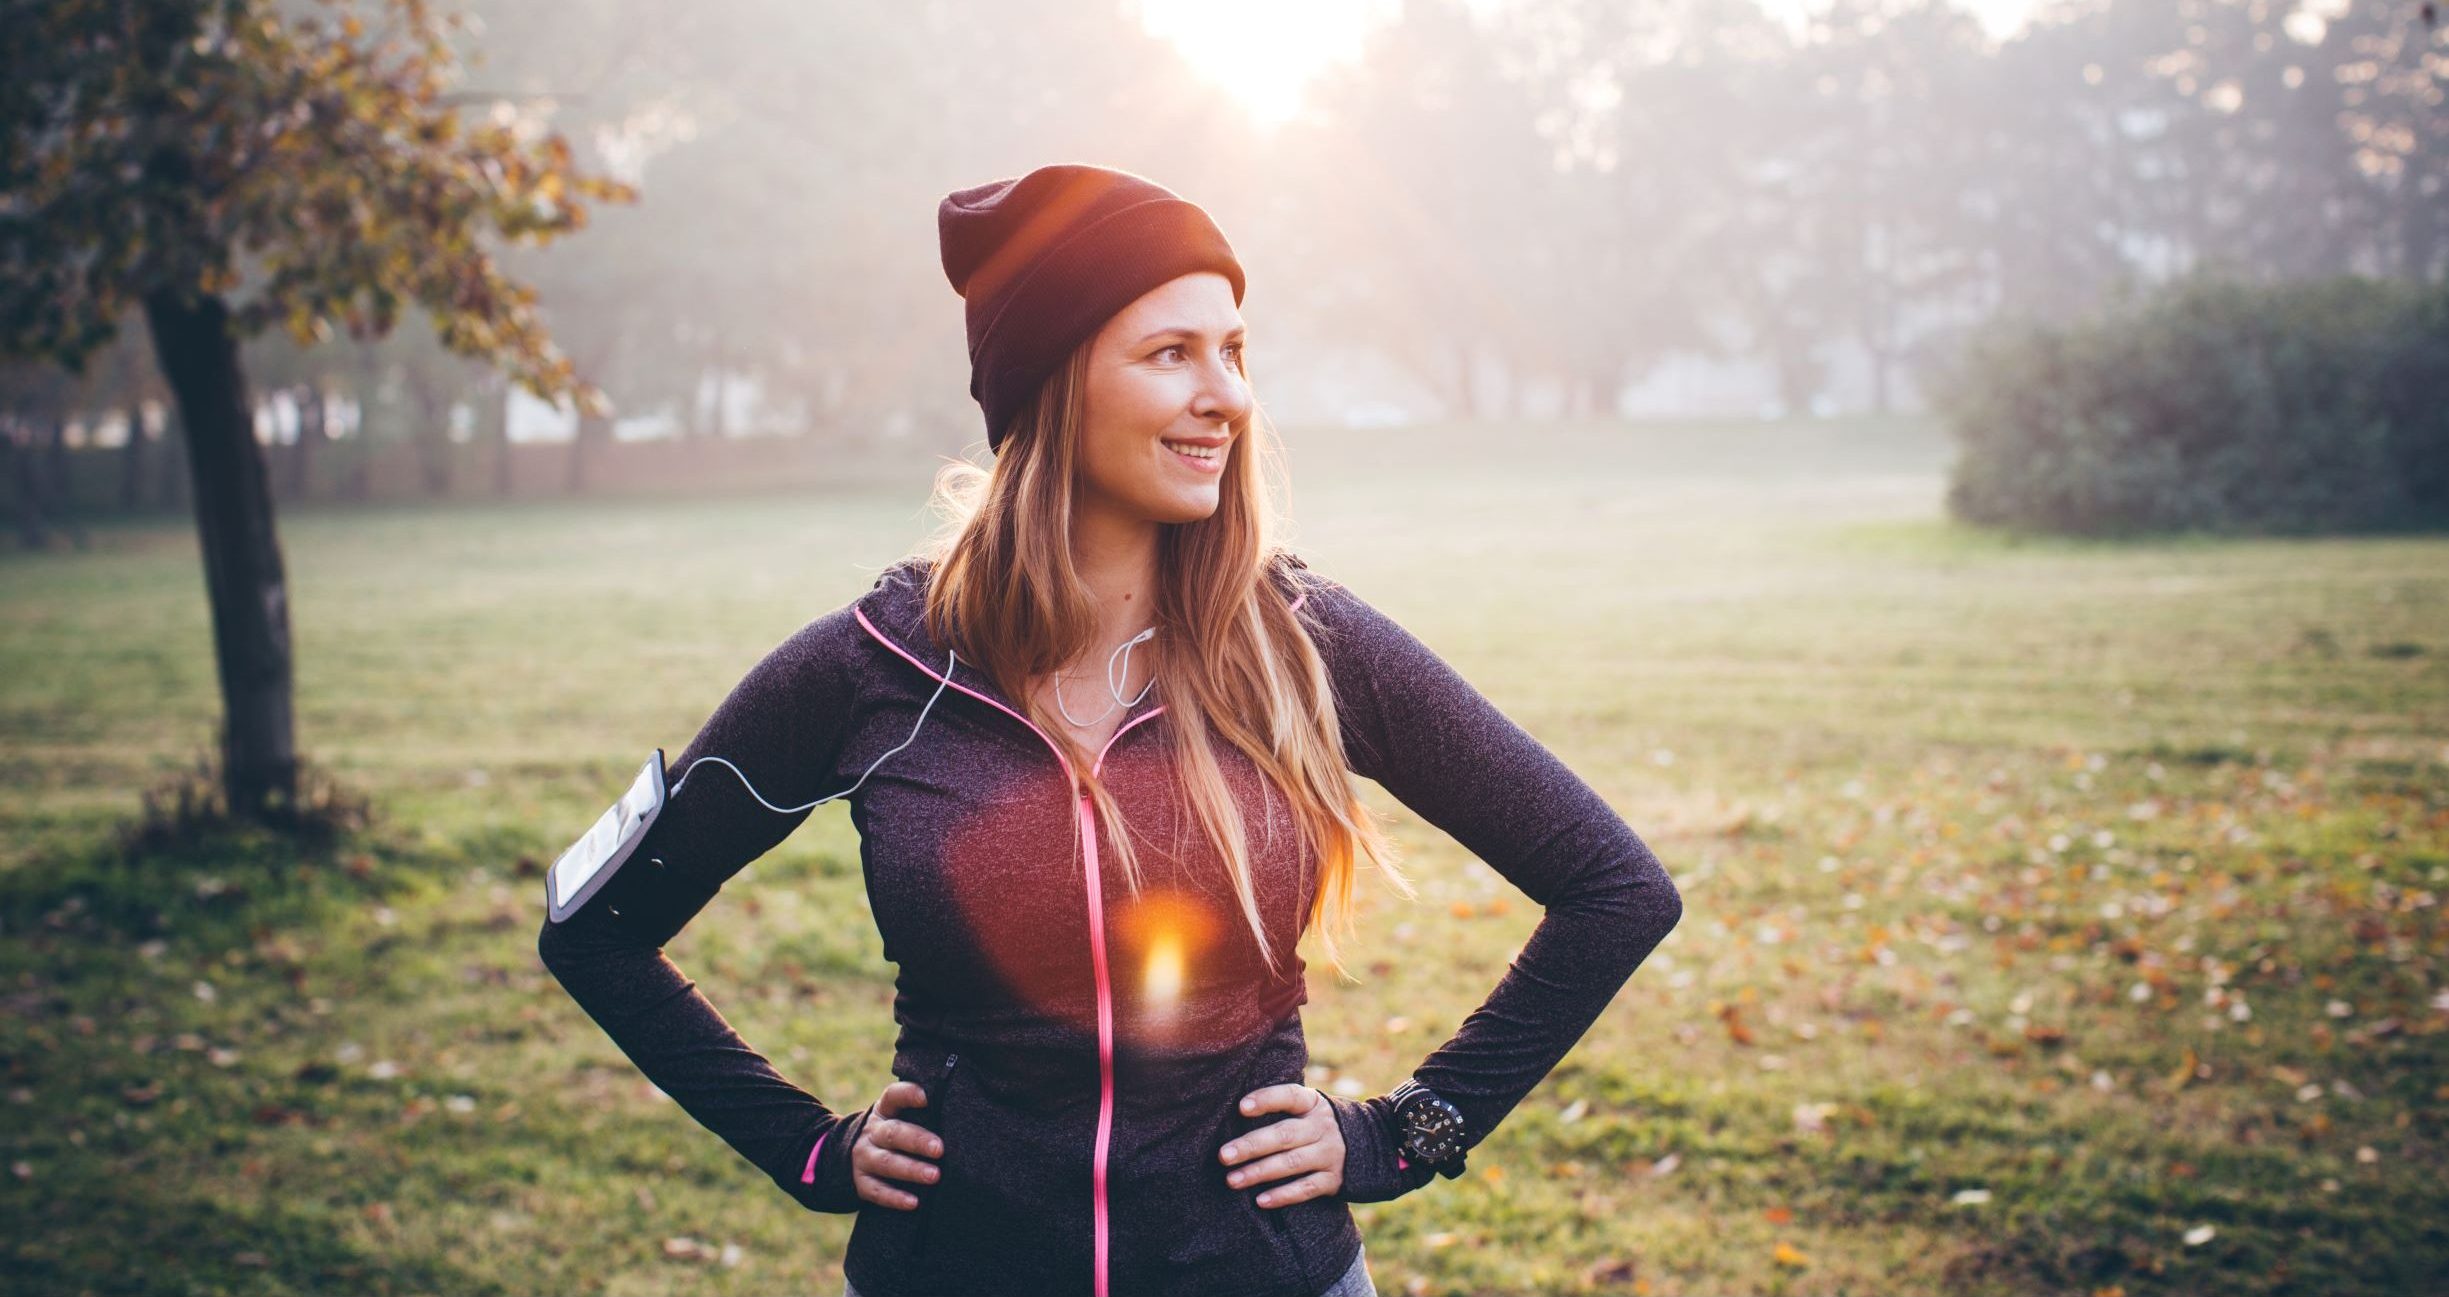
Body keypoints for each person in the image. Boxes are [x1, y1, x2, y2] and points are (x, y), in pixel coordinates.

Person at [536, 162, 1684, 1297]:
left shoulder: (1302, 641)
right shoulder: (871, 670)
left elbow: (1613, 885)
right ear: (1054, 384)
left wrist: (1407, 1131)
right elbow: (599, 932)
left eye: (1233, 352)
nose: (1228, 395)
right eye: (1171, 353)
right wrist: (807, 1147)